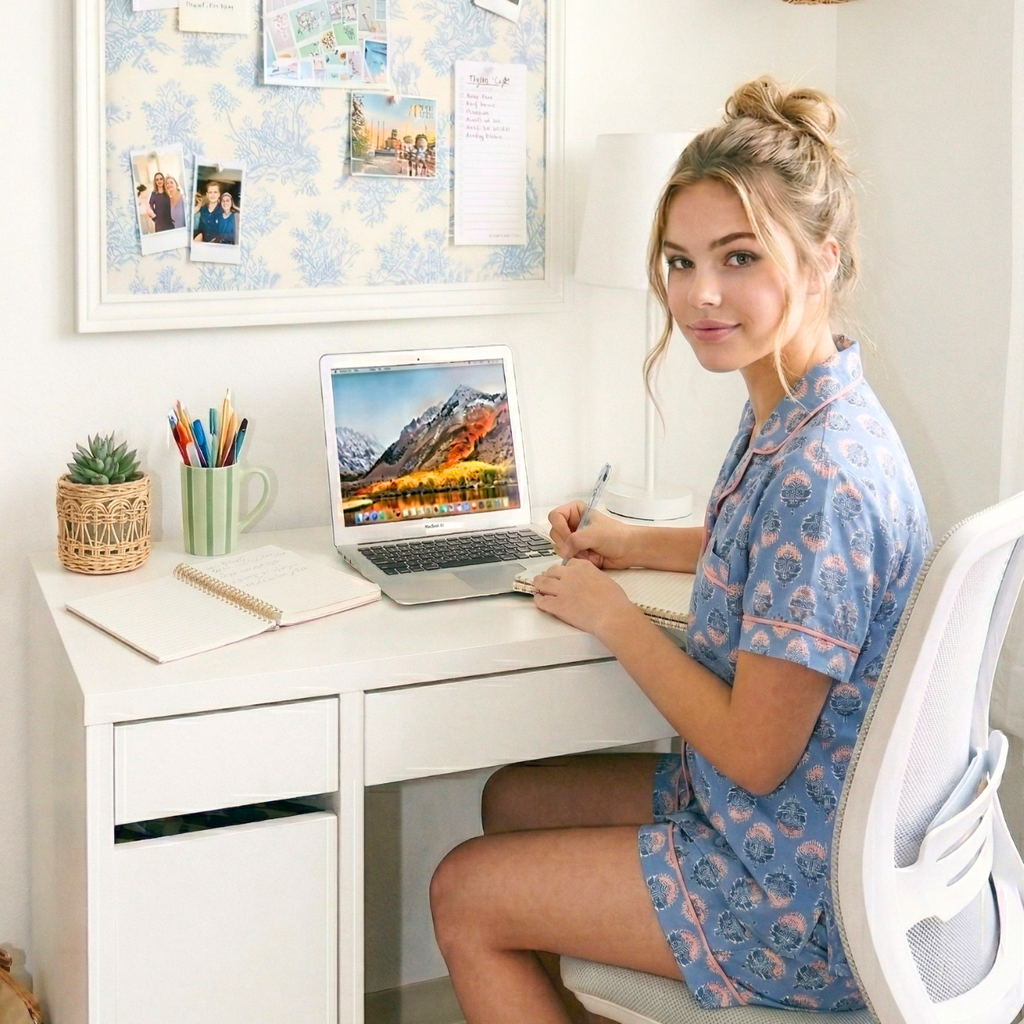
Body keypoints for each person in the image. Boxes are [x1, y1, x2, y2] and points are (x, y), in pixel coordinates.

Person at [428, 76, 932, 1021]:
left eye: (737, 258)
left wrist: (615, 619)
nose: (699, 295)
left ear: (822, 262)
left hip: (801, 892)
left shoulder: (823, 472)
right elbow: (756, 547)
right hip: (799, 831)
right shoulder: (802, 404)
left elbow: (753, 753)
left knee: (464, 890)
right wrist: (632, 541)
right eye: (678, 260)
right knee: (514, 802)